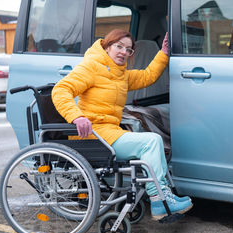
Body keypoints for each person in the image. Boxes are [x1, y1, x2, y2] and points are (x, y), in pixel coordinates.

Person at [52, 29, 192, 220]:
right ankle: (159, 198)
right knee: (151, 141)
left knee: (150, 141)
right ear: (107, 46)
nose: (123, 53)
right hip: (94, 135)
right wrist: (76, 117)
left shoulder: (120, 74)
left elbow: (148, 76)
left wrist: (164, 53)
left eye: (128, 50)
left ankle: (162, 195)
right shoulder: (92, 66)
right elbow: (61, 90)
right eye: (119, 47)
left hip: (110, 132)